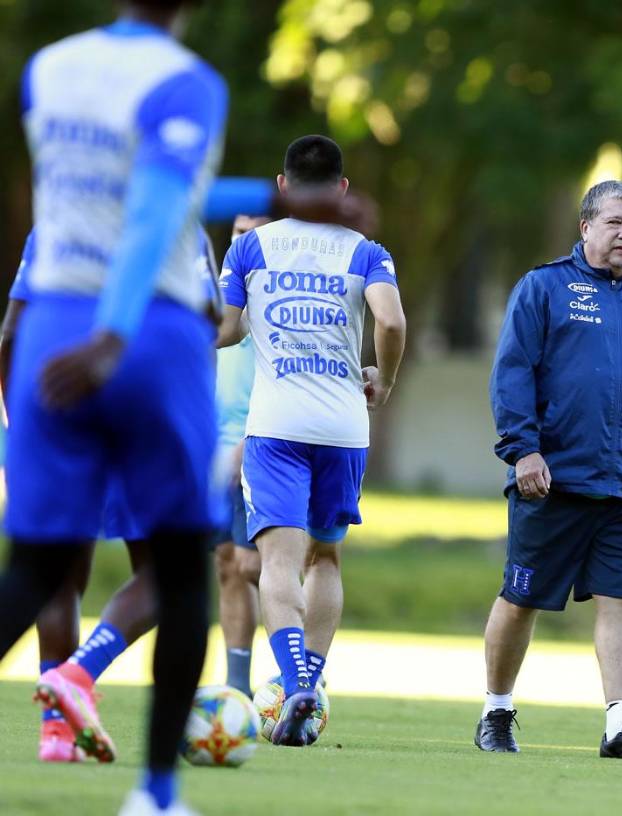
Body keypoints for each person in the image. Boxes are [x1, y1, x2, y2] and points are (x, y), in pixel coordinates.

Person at [0, 2, 228, 811]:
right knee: (182, 567)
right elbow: (158, 204)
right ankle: (156, 793)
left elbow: (99, 185)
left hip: (49, 327)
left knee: (30, 570)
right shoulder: (188, 82)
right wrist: (114, 336)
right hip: (145, 335)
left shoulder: (48, 70)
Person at [478, 179, 622, 761]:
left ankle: (621, 727)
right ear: (586, 226)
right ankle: (496, 711)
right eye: (615, 222)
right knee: (521, 600)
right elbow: (512, 372)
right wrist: (523, 450)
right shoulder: (543, 288)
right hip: (551, 481)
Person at [216, 135, 406, 747]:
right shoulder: (366, 251)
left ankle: (295, 680)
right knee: (325, 558)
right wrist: (383, 376)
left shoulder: (251, 246)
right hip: (343, 427)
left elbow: (225, 330)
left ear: (283, 186)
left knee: (275, 560)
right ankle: (313, 683)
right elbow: (393, 321)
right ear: (343, 189)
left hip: (275, 428)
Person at [212, 216, 266, 698]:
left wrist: (244, 447)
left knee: (256, 565)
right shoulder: (220, 298)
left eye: (253, 233)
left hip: (262, 449)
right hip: (211, 456)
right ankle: (236, 687)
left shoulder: (274, 305)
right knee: (228, 565)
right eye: (237, 231)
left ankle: (301, 672)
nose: (242, 240)